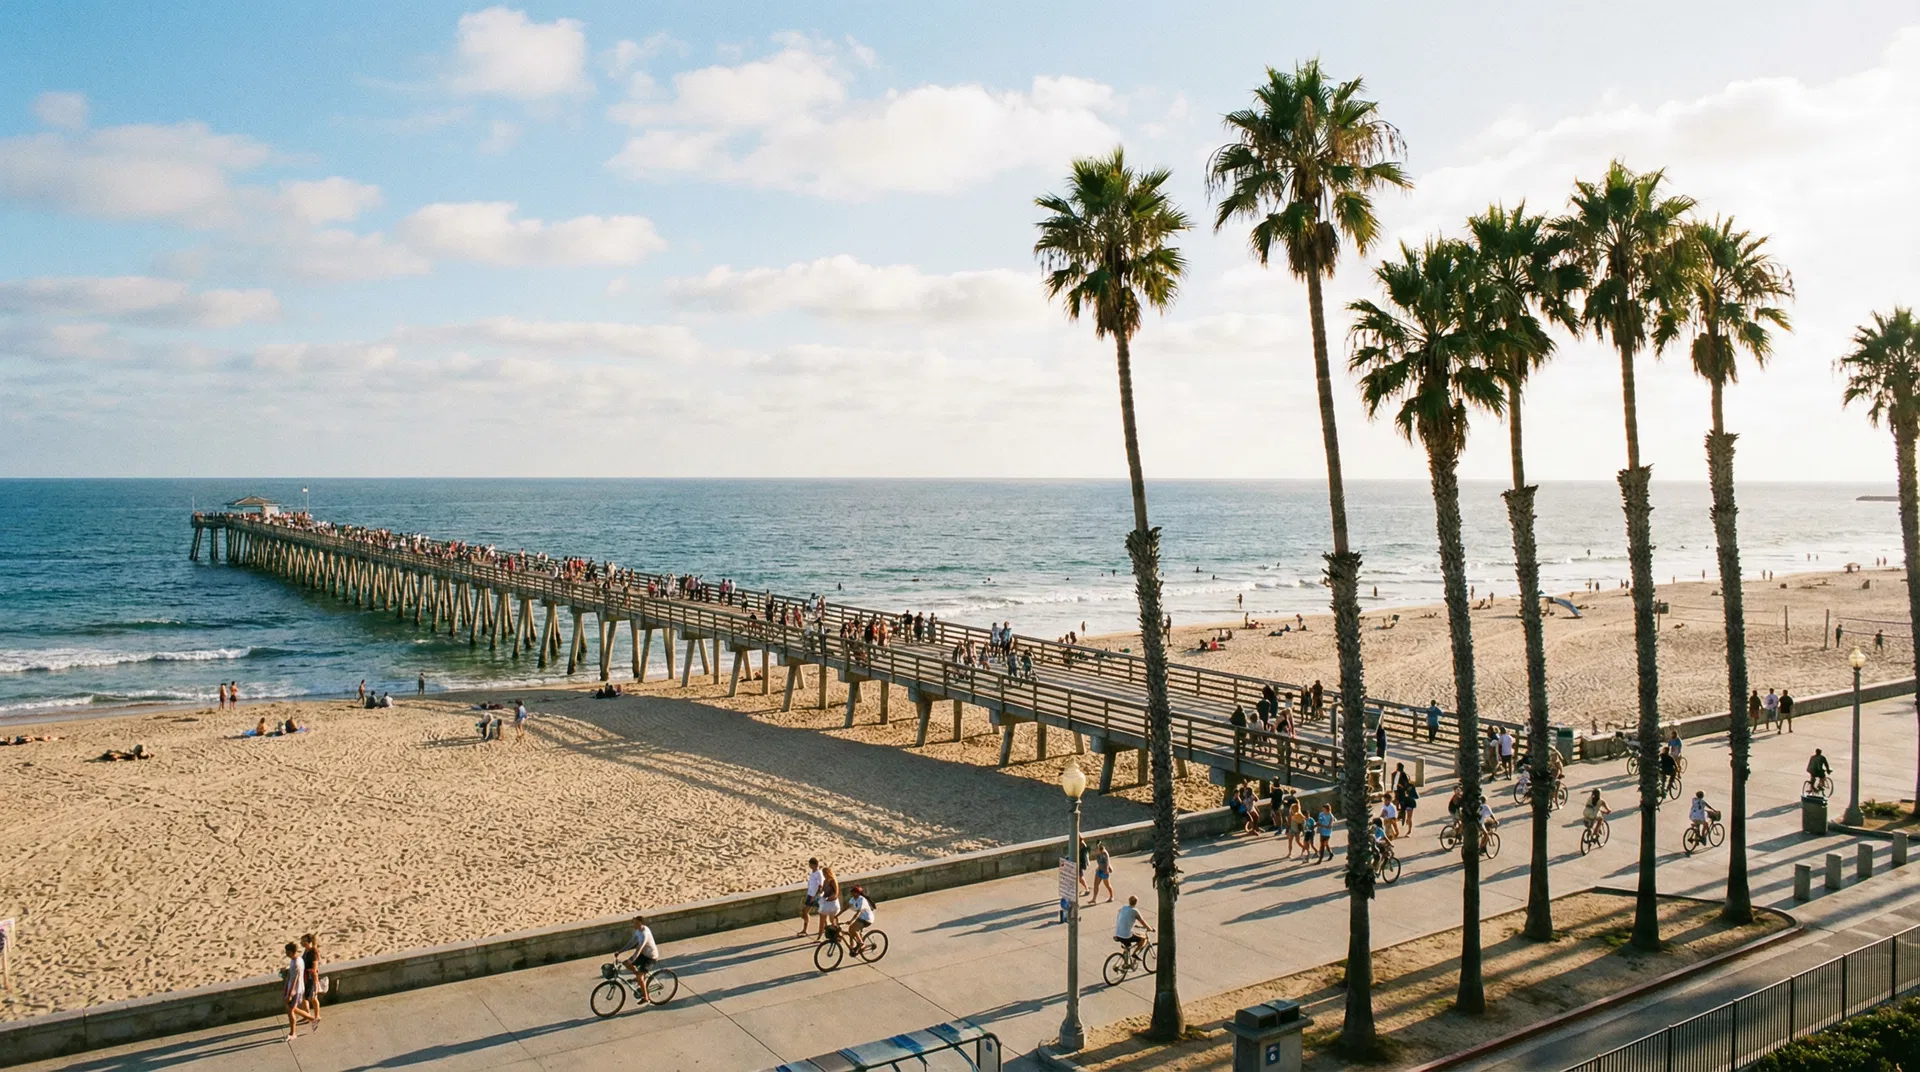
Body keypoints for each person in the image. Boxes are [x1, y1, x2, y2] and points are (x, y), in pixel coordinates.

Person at [616, 916, 660, 998]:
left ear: (641, 923)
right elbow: (631, 943)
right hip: (644, 955)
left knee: (640, 977)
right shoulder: (638, 931)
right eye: (634, 923)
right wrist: (620, 951)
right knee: (626, 964)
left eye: (636, 923)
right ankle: (639, 977)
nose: (634, 925)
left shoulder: (644, 934)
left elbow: (639, 949)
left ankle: (646, 997)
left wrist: (632, 959)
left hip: (650, 958)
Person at [282, 941, 312, 1041]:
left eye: (287, 951)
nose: (285, 953)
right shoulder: (298, 959)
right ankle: (311, 1018)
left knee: (291, 1010)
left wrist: (290, 993)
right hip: (297, 988)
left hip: (295, 990)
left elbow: (295, 979)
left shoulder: (295, 963)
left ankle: (293, 1033)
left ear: (291, 952)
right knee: (292, 1009)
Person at [1113, 895, 1151, 961]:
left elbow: (1125, 917)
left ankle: (1126, 958)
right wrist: (1150, 928)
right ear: (1136, 902)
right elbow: (1142, 921)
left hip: (1118, 933)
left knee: (1132, 938)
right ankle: (1134, 953)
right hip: (1126, 935)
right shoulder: (1135, 911)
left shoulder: (1124, 907)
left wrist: (1132, 923)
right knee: (1143, 939)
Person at [300, 934, 322, 1025]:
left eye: (304, 941)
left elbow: (315, 968)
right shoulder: (306, 951)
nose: (302, 943)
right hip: (305, 978)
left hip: (311, 978)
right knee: (304, 997)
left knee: (313, 998)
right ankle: (307, 1015)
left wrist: (305, 970)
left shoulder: (314, 952)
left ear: (309, 942)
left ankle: (317, 1016)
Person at [816, 867, 842, 941]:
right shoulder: (825, 881)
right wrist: (820, 890)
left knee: (824, 919)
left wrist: (827, 899)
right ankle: (837, 934)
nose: (824, 875)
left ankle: (820, 936)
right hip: (827, 903)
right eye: (823, 873)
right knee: (830, 921)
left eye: (825, 873)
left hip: (832, 904)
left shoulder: (833, 881)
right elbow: (823, 892)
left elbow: (836, 894)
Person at [799, 858, 823, 937]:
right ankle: (805, 929)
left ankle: (823, 927)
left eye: (811, 864)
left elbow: (820, 887)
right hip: (810, 895)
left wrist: (815, 896)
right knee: (805, 912)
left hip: (815, 897)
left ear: (815, 865)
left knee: (821, 913)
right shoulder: (813, 873)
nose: (809, 866)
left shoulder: (819, 874)